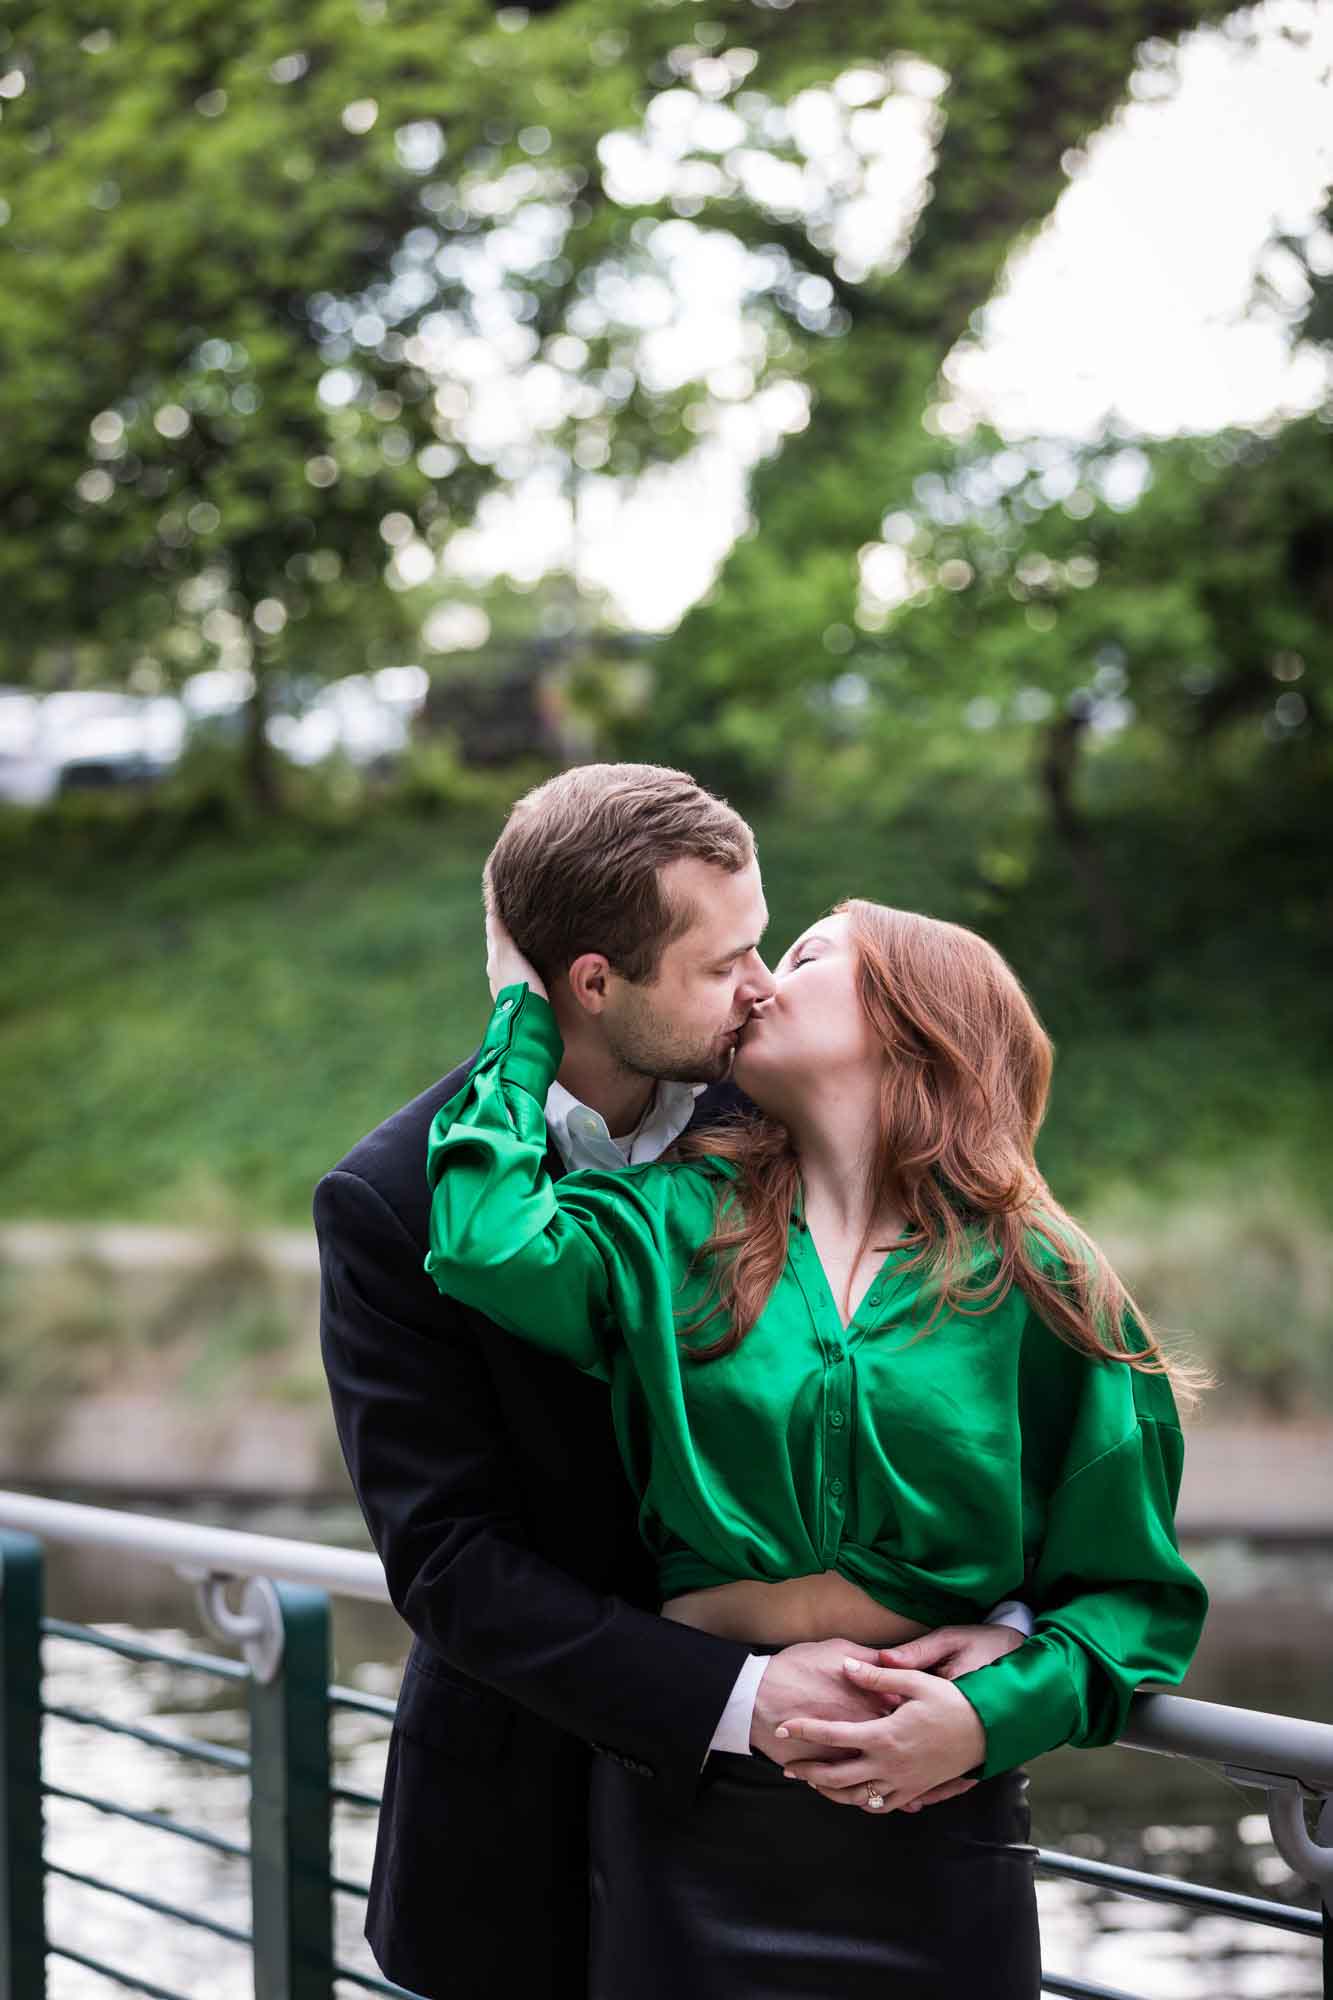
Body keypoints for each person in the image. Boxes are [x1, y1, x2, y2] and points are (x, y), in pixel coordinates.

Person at [315, 763, 1034, 2000]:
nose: (760, 986)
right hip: (519, 1835)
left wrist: (1007, 1625)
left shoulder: (784, 1106)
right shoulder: (395, 1200)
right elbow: (448, 1564)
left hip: (835, 1825)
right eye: (724, 962)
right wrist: (738, 1693)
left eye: (766, 943)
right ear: (593, 981)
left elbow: (952, 1377)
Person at [421, 890, 1213, 1999]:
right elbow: (484, 1245)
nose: (755, 981)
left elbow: (1132, 1598)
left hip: (931, 1832)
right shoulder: (668, 1216)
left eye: (799, 953)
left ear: (910, 1015)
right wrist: (523, 1017)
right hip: (690, 1807)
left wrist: (989, 1716)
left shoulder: (1041, 1273)